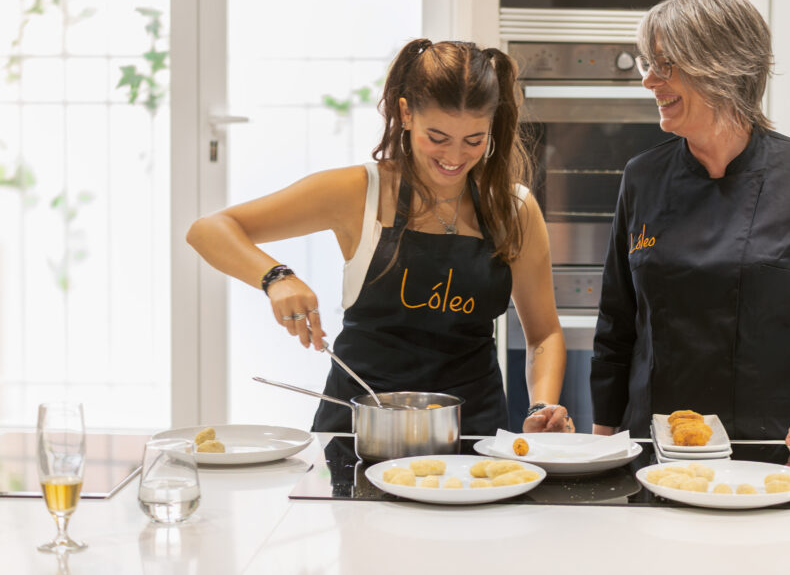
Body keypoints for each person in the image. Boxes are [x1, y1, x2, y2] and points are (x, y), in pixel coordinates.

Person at [187, 39, 572, 436]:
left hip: (470, 431)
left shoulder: (514, 208)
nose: (454, 156)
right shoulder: (358, 192)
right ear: (406, 113)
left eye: (474, 140)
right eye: (437, 137)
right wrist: (276, 277)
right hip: (358, 432)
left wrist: (542, 405)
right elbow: (208, 230)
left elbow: (543, 333)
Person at [589, 0, 790, 458]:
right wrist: (601, 449)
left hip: (771, 448)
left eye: (665, 65)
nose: (649, 81)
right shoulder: (642, 177)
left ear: (721, 67)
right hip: (656, 450)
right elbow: (617, 326)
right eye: (649, 63)